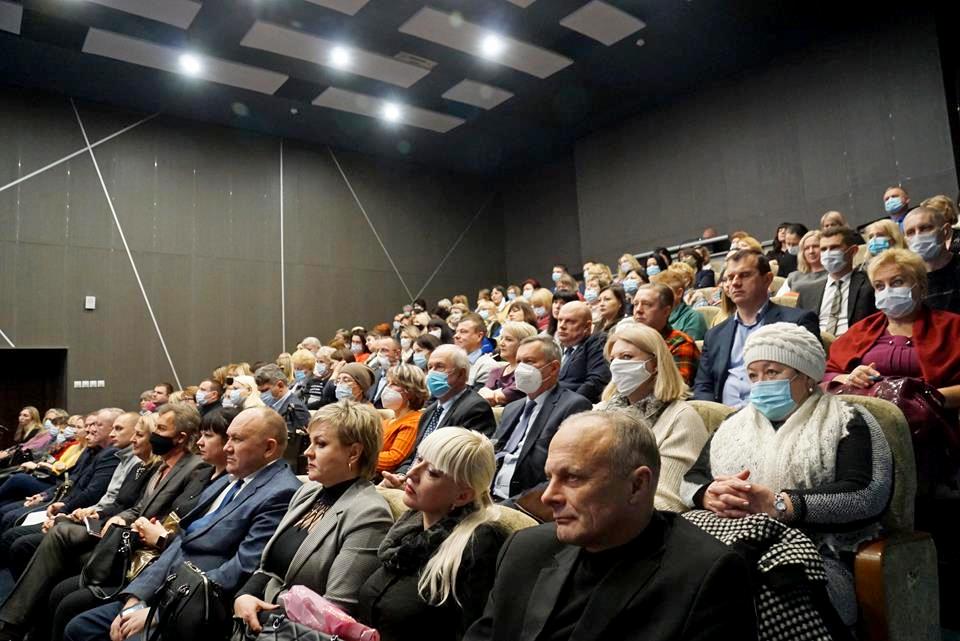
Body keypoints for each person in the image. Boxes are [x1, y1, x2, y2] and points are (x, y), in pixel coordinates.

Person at [464, 411, 756, 641]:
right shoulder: (524, 550)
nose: (548, 496)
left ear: (637, 485)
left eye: (573, 478)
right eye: (550, 477)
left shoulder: (707, 575)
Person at [682, 322, 893, 626]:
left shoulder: (848, 419)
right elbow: (691, 480)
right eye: (753, 375)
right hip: (727, 546)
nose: (760, 384)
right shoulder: (731, 425)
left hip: (819, 557)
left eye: (772, 372)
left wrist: (780, 505)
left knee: (737, 596)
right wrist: (708, 495)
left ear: (806, 376)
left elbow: (867, 494)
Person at [63, 407, 302, 641]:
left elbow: (242, 568)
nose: (227, 447)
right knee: (78, 625)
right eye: (228, 438)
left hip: (195, 607)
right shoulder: (229, 480)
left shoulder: (280, 492)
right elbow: (183, 540)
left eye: (237, 439)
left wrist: (161, 612)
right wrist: (136, 597)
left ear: (269, 448)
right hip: (163, 587)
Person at [0, 406, 208, 641]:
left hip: (137, 547)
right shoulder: (160, 465)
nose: (153, 436)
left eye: (161, 429)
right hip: (120, 532)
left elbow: (171, 521)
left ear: (180, 437)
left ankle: (16, 623)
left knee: (58, 545)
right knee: (49, 540)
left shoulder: (194, 467)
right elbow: (136, 506)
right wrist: (120, 517)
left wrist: (125, 521)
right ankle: (21, 624)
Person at [233, 401, 393, 631]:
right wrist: (245, 595)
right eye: (310, 442)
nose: (307, 452)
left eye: (321, 444)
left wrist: (261, 612)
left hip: (294, 631)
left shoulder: (370, 515)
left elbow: (335, 608)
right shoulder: (308, 491)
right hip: (263, 616)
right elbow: (268, 568)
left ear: (354, 452)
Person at [358, 428, 508, 641]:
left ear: (463, 495)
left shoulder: (479, 546)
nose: (411, 473)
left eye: (433, 472)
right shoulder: (410, 526)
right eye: (419, 459)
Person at [823, 248, 960, 457]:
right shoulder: (861, 329)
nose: (887, 291)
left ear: (921, 287)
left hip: (928, 428)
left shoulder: (952, 327)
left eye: (897, 282)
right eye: (880, 286)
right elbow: (826, 374)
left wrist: (923, 398)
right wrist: (849, 377)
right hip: (861, 423)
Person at [595, 323, 708, 512]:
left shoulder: (682, 419)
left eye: (627, 357)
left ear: (655, 364)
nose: (617, 365)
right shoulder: (600, 412)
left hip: (633, 520)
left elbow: (667, 501)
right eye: (613, 359)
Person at [693, 250, 819, 405]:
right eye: (730, 278)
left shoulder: (797, 322)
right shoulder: (714, 335)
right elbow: (703, 386)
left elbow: (810, 377)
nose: (735, 283)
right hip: (724, 415)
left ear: (767, 279)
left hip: (779, 412)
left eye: (745, 275)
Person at [491, 337, 591, 502]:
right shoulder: (511, 408)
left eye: (529, 362)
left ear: (553, 368)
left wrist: (513, 505)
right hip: (489, 495)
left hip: (526, 502)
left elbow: (563, 473)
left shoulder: (573, 406)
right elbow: (493, 452)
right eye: (519, 362)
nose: (521, 368)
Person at [387, 346, 496, 475]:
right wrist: (399, 476)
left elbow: (460, 463)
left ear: (461, 374)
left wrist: (414, 478)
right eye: (430, 367)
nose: (432, 373)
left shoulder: (475, 408)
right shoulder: (430, 411)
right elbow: (414, 456)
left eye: (439, 367)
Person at [795, 226, 876, 336]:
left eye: (834, 248)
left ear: (853, 251)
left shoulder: (870, 285)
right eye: (823, 249)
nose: (828, 253)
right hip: (816, 343)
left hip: (853, 342)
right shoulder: (807, 291)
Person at [631, 285, 700, 385]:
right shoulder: (629, 340)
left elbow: (674, 387)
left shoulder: (681, 343)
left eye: (647, 304)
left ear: (666, 311)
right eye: (635, 304)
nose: (638, 310)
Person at [904, 205, 960, 313]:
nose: (917, 236)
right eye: (910, 232)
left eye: (925, 228)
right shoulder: (908, 281)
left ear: (946, 231)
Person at [555, 302, 611, 403]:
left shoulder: (597, 342)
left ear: (587, 326)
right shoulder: (558, 348)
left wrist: (567, 405)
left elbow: (596, 381)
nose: (562, 326)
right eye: (560, 320)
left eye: (570, 321)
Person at [378, 365, 429, 474]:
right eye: (388, 383)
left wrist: (360, 459)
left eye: (394, 384)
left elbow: (393, 459)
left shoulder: (413, 422)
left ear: (410, 391)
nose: (387, 388)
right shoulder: (388, 421)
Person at [479, 321, 538, 407]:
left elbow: (503, 396)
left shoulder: (528, 373)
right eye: (501, 338)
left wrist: (492, 395)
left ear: (524, 344)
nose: (501, 343)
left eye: (509, 339)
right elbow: (481, 396)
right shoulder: (496, 370)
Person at [652, 268, 707, 341]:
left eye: (663, 293)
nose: (658, 297)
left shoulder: (693, 318)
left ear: (679, 293)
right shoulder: (654, 315)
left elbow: (688, 346)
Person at [255, 364, 311, 431]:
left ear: (280, 385)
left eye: (265, 390)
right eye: (260, 391)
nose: (262, 395)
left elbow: (301, 436)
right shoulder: (270, 406)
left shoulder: (296, 409)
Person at [455, 314, 499, 389]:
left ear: (479, 336)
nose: (456, 336)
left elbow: (476, 396)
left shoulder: (488, 366)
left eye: (463, 332)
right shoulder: (451, 361)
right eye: (456, 332)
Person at [776, 230, 826, 295]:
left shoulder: (833, 276)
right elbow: (779, 299)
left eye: (815, 246)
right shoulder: (793, 277)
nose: (811, 251)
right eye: (807, 248)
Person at [368, 338, 402, 407]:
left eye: (384, 350)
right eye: (378, 350)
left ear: (397, 353)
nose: (379, 353)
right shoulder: (375, 372)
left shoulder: (404, 375)